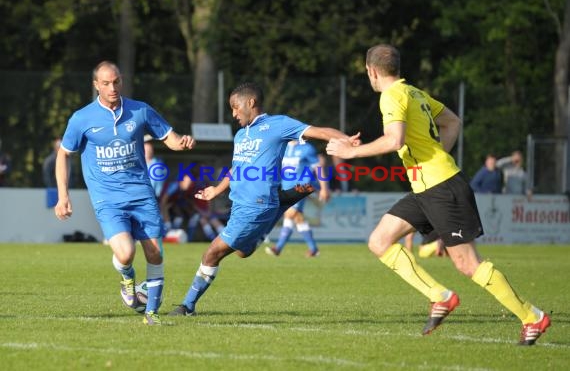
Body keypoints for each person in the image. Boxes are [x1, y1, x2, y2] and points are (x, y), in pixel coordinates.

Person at [326, 44, 550, 345]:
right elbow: (453, 122)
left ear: (372, 71)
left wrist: (348, 153)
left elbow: (394, 140)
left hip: (441, 186)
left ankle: (531, 317)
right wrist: (435, 155)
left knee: (468, 264)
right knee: (379, 241)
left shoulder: (391, 96)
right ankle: (439, 296)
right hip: (426, 186)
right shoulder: (414, 92)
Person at [168, 82, 358, 317]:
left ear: (251, 102)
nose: (234, 114)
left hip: (256, 205)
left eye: (235, 107)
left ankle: (187, 306)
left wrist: (347, 140)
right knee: (241, 252)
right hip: (240, 204)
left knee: (211, 253)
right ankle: (282, 203)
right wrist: (216, 190)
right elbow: (236, 168)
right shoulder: (240, 135)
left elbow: (319, 131)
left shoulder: (278, 124)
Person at [54, 61, 195, 325]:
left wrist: (183, 142)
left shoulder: (140, 110)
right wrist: (63, 195)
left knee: (155, 253)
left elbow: (170, 138)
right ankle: (128, 279)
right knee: (126, 253)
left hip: (142, 194)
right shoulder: (82, 118)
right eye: (106, 83)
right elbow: (64, 154)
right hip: (107, 199)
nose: (112, 87)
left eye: (116, 81)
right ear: (96, 85)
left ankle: (151, 314)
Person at [265, 141, 330, 257]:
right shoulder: (282, 147)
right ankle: (313, 248)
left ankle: (278, 247)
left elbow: (318, 168)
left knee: (291, 213)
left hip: (302, 186)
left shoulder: (307, 148)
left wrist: (324, 188)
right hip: (286, 187)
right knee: (295, 216)